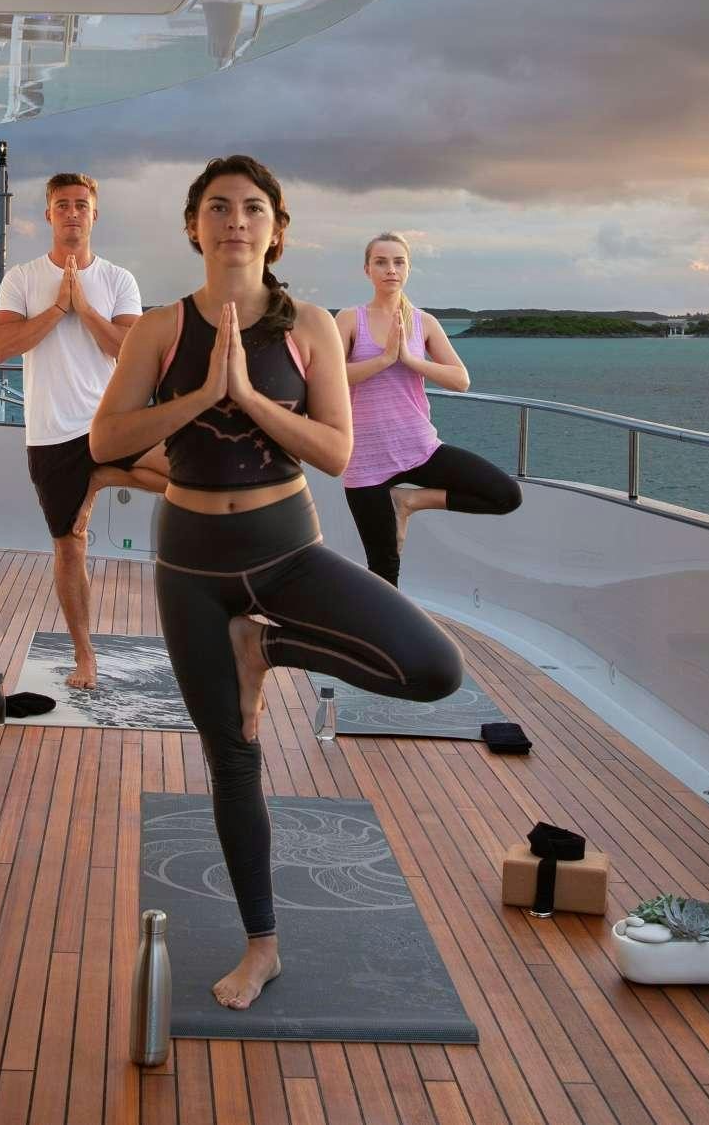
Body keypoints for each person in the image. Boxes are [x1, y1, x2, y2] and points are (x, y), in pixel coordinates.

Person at [90, 156, 463, 1012]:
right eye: (217, 207)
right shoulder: (159, 329)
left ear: (276, 228)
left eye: (252, 208)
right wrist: (201, 396)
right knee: (232, 757)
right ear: (193, 225)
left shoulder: (310, 329)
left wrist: (248, 397)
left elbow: (335, 451)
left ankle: (267, 643)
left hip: (286, 548)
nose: (235, 220)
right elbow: (106, 441)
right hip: (189, 565)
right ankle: (262, 946)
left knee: (433, 667)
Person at [0, 172, 165, 688]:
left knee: (187, 477)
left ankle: (105, 475)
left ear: (94, 214)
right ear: (48, 214)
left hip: (110, 424)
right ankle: (85, 656)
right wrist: (57, 308)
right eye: (62, 205)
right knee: (69, 546)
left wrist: (84, 308)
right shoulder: (22, 278)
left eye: (81, 205)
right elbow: (0, 347)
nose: (72, 213)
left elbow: (129, 352)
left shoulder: (118, 279)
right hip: (51, 434)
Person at [337, 232, 520, 583]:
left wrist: (409, 360)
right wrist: (385, 359)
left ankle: (409, 502)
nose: (390, 269)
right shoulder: (349, 319)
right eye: (381, 262)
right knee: (385, 569)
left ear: (408, 269)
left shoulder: (424, 323)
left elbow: (460, 380)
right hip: (366, 460)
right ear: (367, 270)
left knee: (505, 495)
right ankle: (384, 638)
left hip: (419, 448)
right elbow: (328, 378)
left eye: (398, 261)